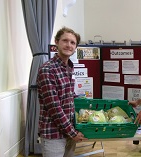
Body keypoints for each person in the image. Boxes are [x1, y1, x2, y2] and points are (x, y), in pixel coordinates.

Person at [37, 27, 87, 157]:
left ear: (75, 47)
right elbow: (54, 107)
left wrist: (86, 103)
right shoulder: (47, 70)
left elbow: (67, 95)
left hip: (69, 129)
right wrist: (73, 132)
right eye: (65, 41)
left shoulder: (69, 67)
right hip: (53, 134)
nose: (69, 45)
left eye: (72, 43)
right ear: (57, 42)